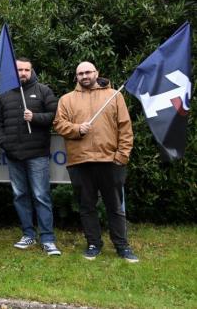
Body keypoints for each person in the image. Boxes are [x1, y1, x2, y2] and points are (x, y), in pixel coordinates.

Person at [53, 62, 138, 262]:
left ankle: (122, 246)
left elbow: (125, 128)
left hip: (110, 161)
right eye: (80, 73)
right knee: (86, 206)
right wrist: (76, 129)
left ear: (96, 73)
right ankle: (93, 244)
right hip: (80, 162)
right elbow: (59, 124)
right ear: (76, 77)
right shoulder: (67, 99)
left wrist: (122, 156)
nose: (85, 76)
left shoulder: (114, 96)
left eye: (88, 72)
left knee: (115, 206)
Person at [0, 58, 61, 256]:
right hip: (14, 156)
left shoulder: (43, 91)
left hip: (37, 154)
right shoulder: (3, 95)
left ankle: (47, 238)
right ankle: (28, 234)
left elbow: (54, 116)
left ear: (31, 71)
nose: (22, 73)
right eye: (19, 70)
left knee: (41, 196)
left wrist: (35, 117)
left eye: (26, 70)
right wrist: (5, 144)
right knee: (20, 196)